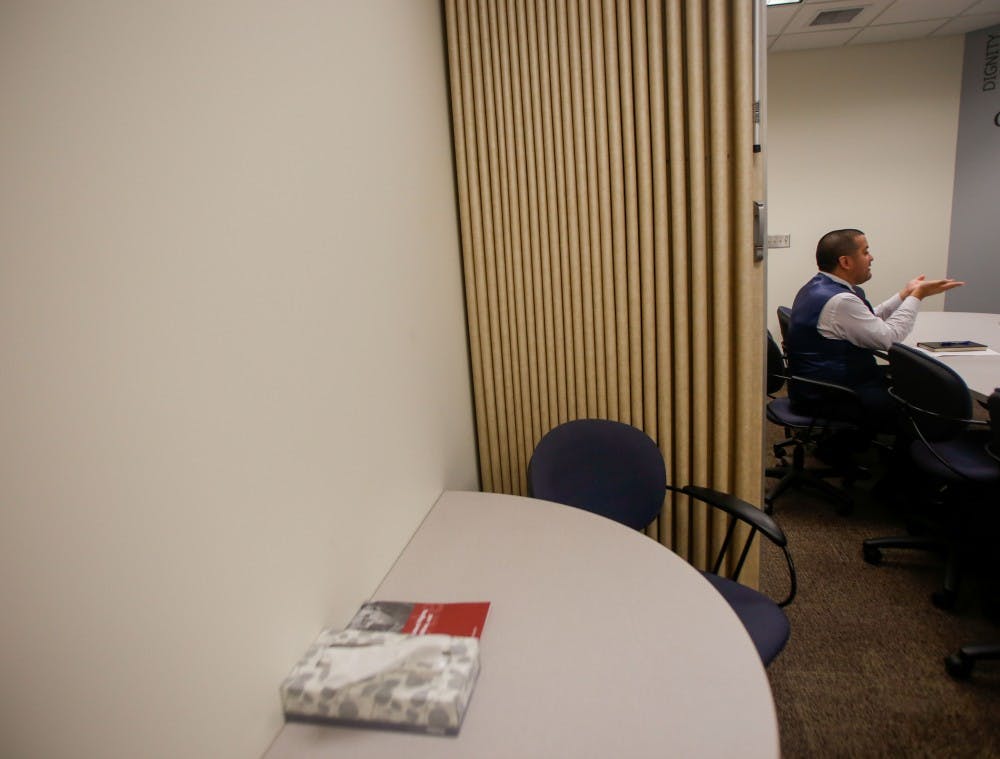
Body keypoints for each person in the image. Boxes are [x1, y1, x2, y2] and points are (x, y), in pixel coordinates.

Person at [786, 228, 964, 432]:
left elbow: (867, 321)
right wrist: (917, 296)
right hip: (837, 394)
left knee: (908, 383)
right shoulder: (841, 300)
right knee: (922, 400)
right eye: (865, 251)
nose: (871, 258)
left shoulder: (817, 287)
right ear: (845, 262)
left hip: (817, 385)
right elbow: (890, 339)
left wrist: (905, 295)